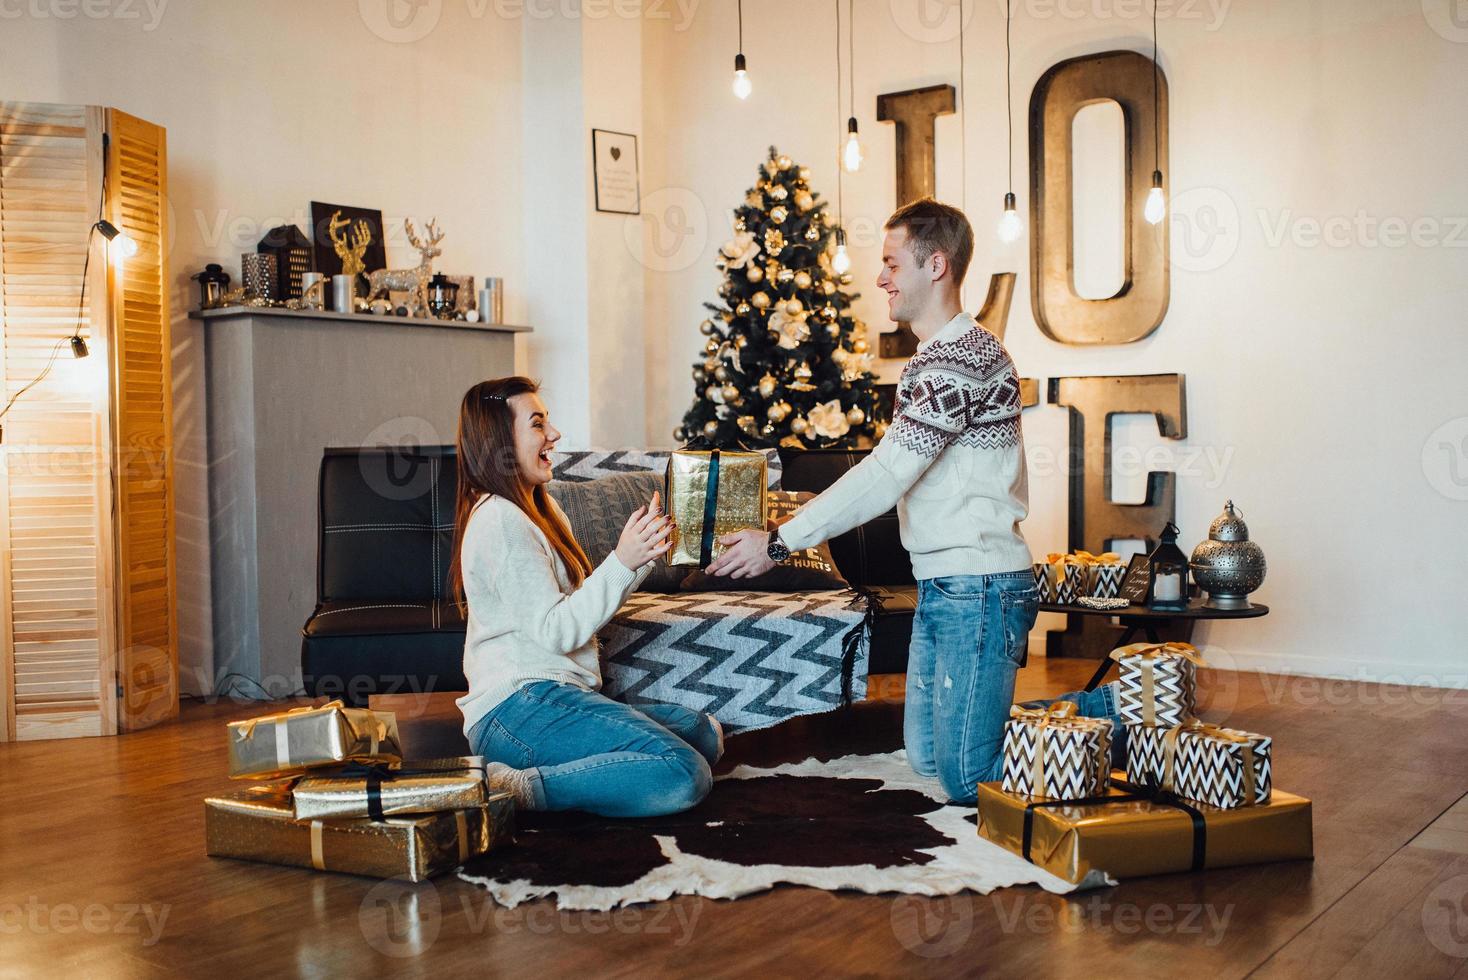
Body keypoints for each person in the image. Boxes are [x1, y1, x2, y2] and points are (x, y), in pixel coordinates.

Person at [707, 198, 1119, 805]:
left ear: (937, 265)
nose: (880, 279)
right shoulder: (937, 358)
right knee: (927, 759)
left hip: (978, 587)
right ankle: (1072, 719)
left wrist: (779, 541)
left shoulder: (960, 358)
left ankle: (1118, 703)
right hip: (945, 584)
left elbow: (887, 474)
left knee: (962, 777)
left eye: (892, 264)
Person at [450, 376, 724, 817]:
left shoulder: (540, 508)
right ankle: (516, 787)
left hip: (556, 695)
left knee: (704, 734)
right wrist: (622, 558)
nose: (554, 435)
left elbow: (577, 609)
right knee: (683, 773)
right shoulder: (498, 519)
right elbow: (557, 631)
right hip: (517, 708)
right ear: (499, 440)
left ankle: (581, 765)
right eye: (538, 424)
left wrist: (638, 556)